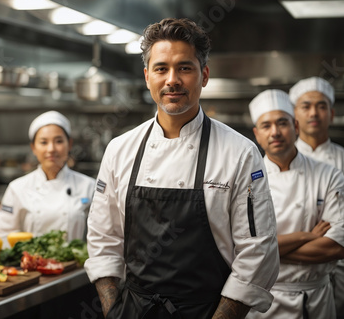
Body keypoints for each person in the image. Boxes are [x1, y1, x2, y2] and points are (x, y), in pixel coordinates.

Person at [85, 17, 279, 319]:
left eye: (184, 68)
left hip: (208, 310)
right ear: (148, 76)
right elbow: (103, 241)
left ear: (204, 76)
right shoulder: (120, 150)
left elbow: (258, 252)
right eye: (161, 68)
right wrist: (114, 313)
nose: (172, 79)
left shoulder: (240, 153)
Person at [247, 89, 344, 318]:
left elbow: (336, 246)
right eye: (266, 126)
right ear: (257, 135)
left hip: (316, 300)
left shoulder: (329, 175)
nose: (275, 132)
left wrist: (267, 250)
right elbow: (238, 249)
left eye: (282, 123)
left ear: (296, 127)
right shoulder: (245, 180)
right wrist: (307, 236)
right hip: (264, 302)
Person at [0, 110, 96, 247]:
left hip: (77, 266)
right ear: (33, 148)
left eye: (58, 141)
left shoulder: (89, 186)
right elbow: (2, 236)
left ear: (69, 144)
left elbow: (102, 235)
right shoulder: (17, 188)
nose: (51, 149)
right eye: (43, 142)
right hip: (31, 266)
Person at [289, 76, 344, 318]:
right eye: (306, 106)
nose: (314, 113)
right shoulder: (279, 159)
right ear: (294, 115)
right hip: (287, 276)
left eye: (321, 106)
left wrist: (274, 247)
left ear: (331, 114)